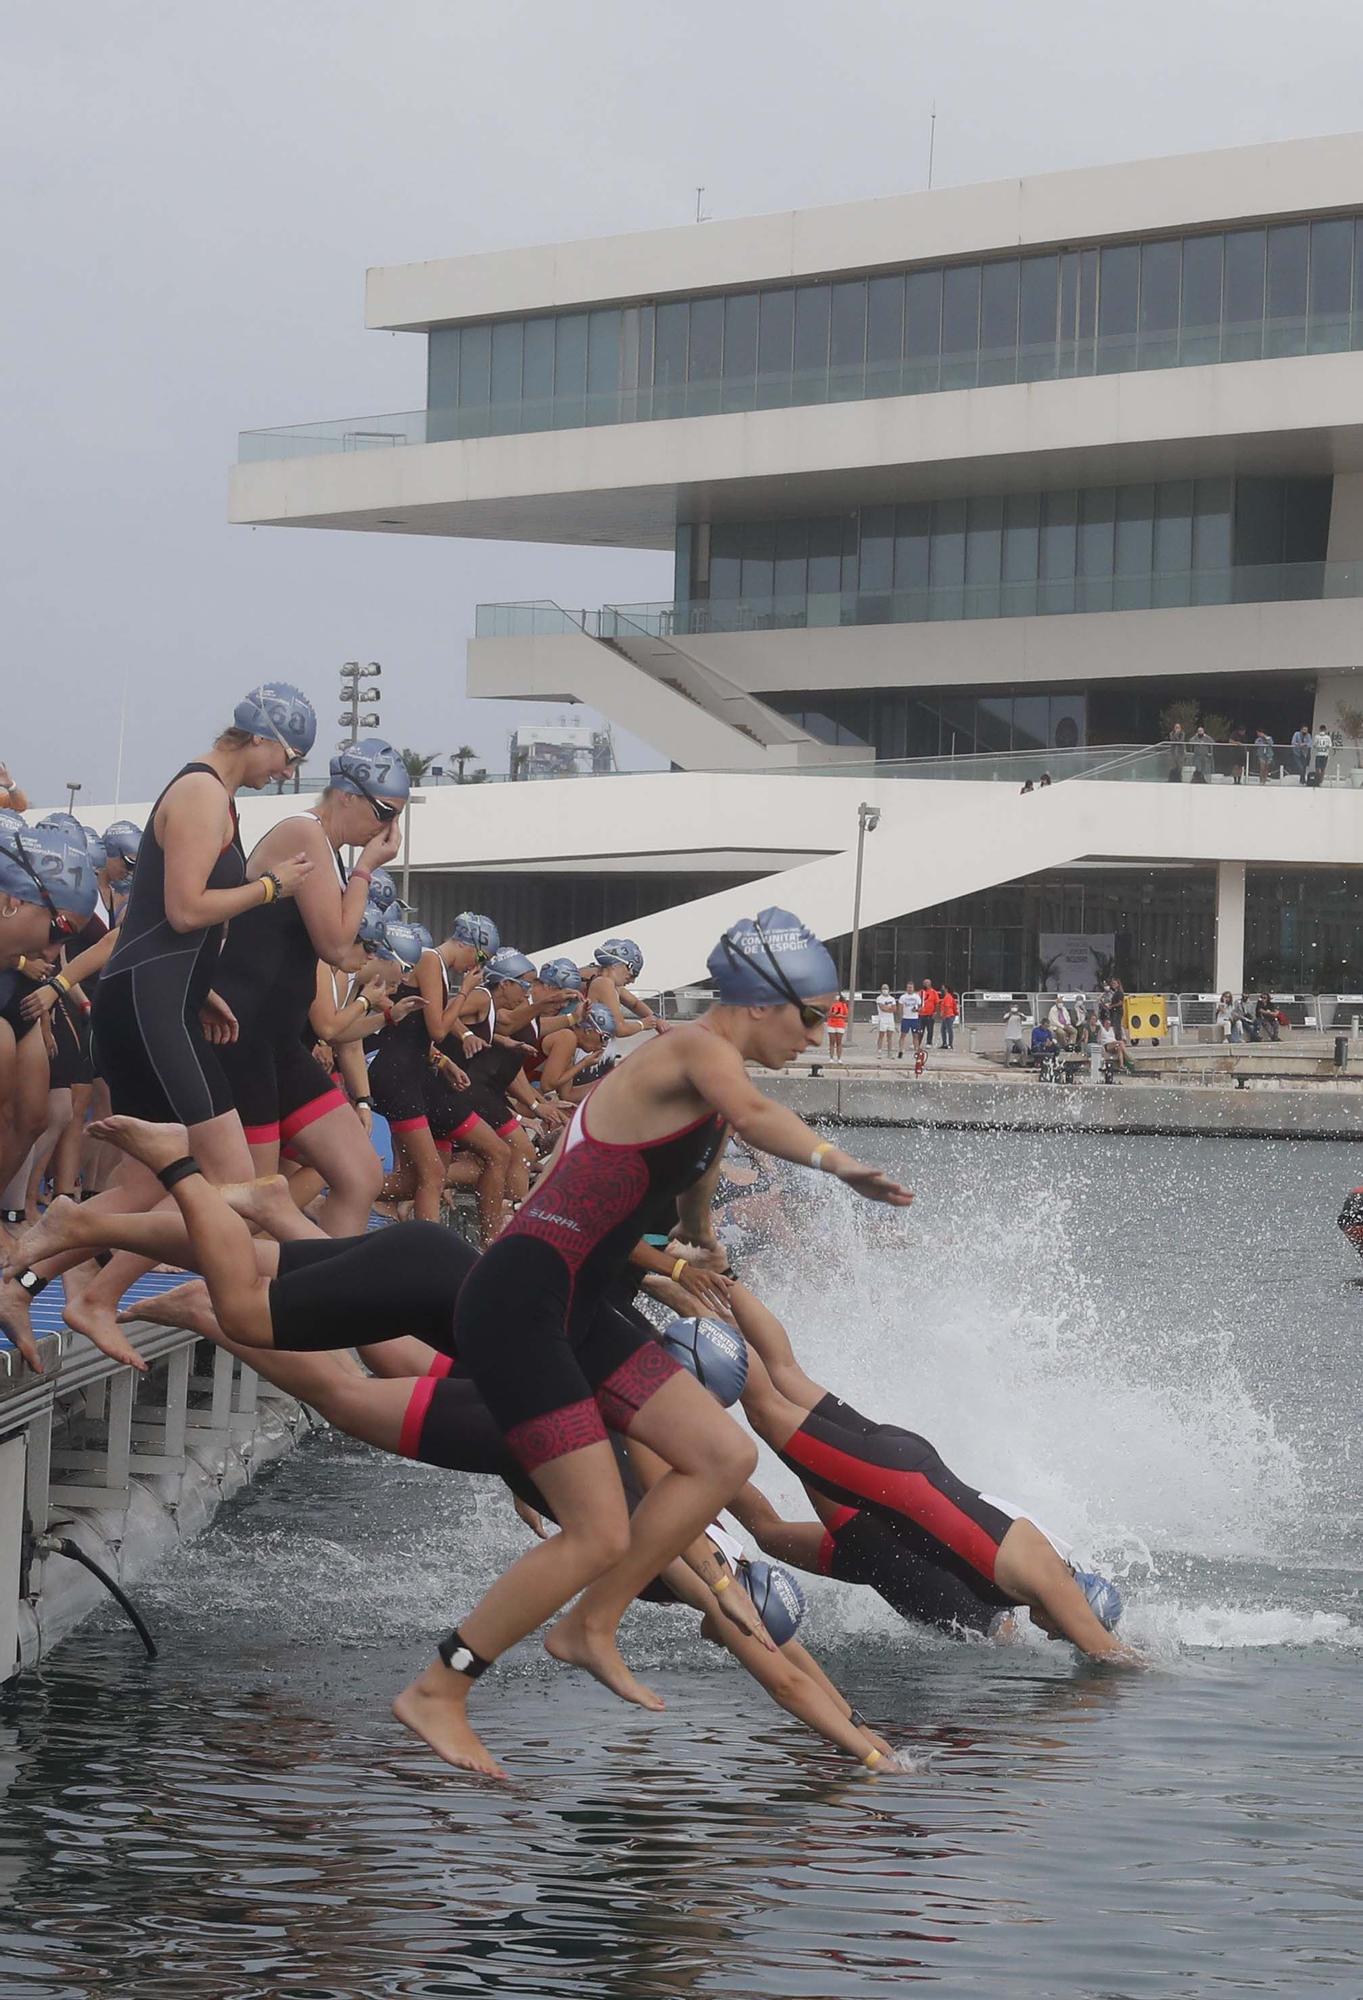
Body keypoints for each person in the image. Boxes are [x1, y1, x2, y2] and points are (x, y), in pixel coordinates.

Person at [404, 904, 913, 1774]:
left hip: (579, 1304)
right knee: (597, 1530)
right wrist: (839, 1164)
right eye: (814, 1016)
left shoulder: (707, 1089)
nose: (820, 1035)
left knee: (720, 1455)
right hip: (523, 1299)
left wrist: (699, 1249)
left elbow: (694, 1190)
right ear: (759, 1003)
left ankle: (590, 1624)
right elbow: (753, 1115)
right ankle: (440, 1688)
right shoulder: (693, 1051)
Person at [716, 1283, 1132, 1662]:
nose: (1055, 1637)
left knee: (786, 1377)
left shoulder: (1044, 1564)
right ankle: (700, 1304)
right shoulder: (1050, 1578)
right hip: (891, 1489)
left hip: (906, 1473)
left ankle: (717, 1278)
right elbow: (1105, 1652)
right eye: (1065, 1630)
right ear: (1076, 1606)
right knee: (768, 1409)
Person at [211, 736, 406, 1236]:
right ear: (346, 795)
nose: (388, 828)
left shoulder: (327, 851)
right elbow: (337, 947)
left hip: (279, 1043)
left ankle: (325, 1301)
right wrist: (366, 869)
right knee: (244, 1210)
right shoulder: (304, 833)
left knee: (359, 1174)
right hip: (242, 1037)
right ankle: (90, 1255)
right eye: (385, 811)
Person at [897, 981, 920, 1059]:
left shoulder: (917, 997)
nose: (909, 989)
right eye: (908, 987)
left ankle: (917, 1051)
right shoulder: (903, 997)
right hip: (906, 1018)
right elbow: (900, 1007)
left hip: (914, 1019)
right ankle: (900, 1050)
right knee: (903, 1035)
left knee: (915, 1035)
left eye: (911, 987)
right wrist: (900, 1017)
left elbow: (920, 1007)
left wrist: (916, 1010)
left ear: (913, 988)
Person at [874, 984, 897, 1057]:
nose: (885, 990)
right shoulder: (879, 998)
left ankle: (889, 1052)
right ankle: (879, 1051)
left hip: (890, 1019)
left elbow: (894, 1009)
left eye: (886, 988)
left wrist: (887, 1008)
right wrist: (888, 1008)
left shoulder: (892, 999)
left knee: (889, 1036)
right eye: (883, 988)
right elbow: (882, 1008)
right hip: (882, 1019)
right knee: (881, 1035)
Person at [826, 992, 848, 1060]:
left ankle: (839, 1058)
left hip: (840, 1025)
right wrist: (832, 1015)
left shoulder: (843, 1004)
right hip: (831, 1024)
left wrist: (840, 1016)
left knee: (839, 1042)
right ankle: (831, 1058)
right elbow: (827, 1014)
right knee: (831, 1042)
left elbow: (846, 1015)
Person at [919, 979, 938, 1046]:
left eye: (927, 983)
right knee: (920, 1029)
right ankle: (918, 1042)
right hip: (921, 1014)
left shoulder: (934, 992)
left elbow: (936, 1003)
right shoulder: (921, 992)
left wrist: (935, 1012)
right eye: (925, 983)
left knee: (930, 1030)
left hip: (930, 1014)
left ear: (930, 984)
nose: (926, 984)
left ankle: (929, 1042)